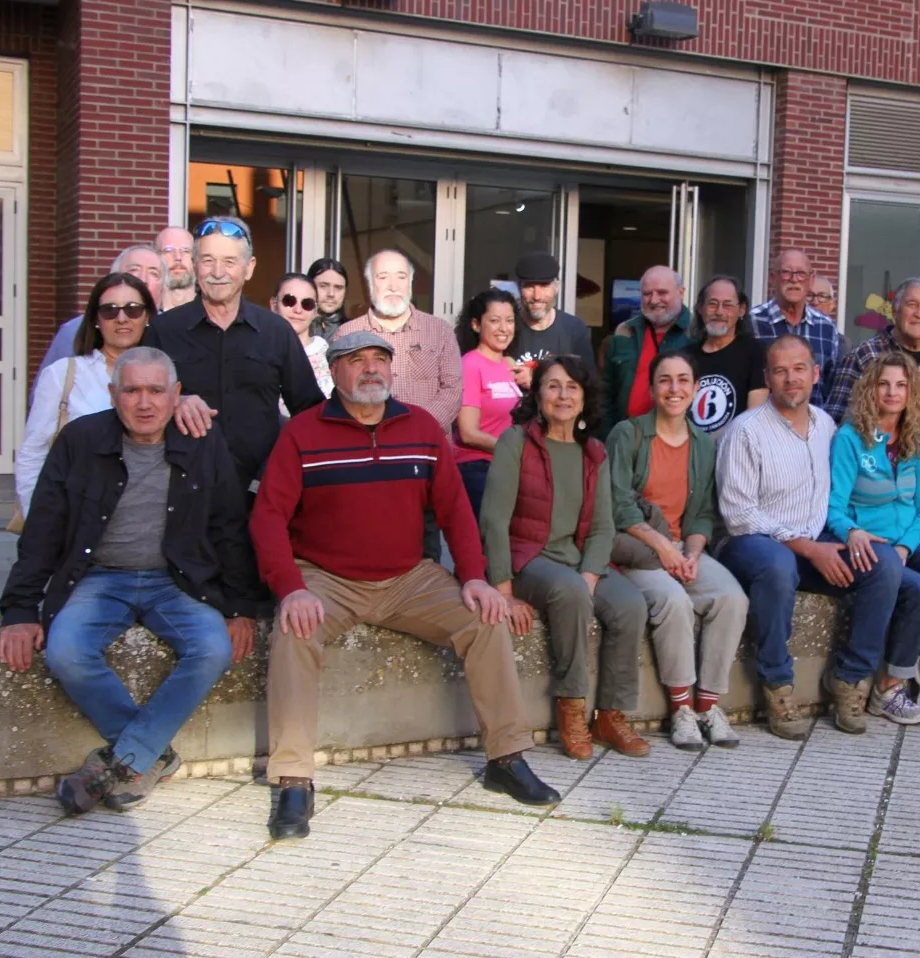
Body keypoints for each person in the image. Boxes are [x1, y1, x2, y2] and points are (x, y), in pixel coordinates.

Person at [251, 331, 557, 838]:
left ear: (391, 370)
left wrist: (475, 577)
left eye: (379, 359)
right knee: (295, 632)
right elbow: (267, 519)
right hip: (326, 578)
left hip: (409, 577)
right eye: (354, 361)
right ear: (334, 371)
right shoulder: (303, 433)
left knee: (484, 620)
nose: (369, 369)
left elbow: (456, 510)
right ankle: (293, 779)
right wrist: (291, 587)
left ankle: (506, 758)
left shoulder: (420, 427)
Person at [0, 347, 253, 816]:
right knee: (66, 651)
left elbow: (229, 525)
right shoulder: (80, 440)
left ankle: (123, 759)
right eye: (131, 390)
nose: (144, 402)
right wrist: (18, 611)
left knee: (213, 648)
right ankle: (147, 754)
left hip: (176, 581)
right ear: (113, 395)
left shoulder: (202, 441)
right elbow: (43, 531)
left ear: (176, 395)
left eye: (156, 390)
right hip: (100, 578)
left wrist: (239, 608)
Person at [716, 336, 906, 739]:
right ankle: (778, 686)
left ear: (815, 373)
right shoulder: (745, 431)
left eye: (799, 368)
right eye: (780, 371)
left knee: (884, 563)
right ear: (767, 378)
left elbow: (837, 495)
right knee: (778, 564)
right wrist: (806, 547)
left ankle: (851, 679)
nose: (791, 379)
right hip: (752, 544)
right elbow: (738, 516)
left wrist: (849, 533)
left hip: (814, 539)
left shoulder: (826, 425)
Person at [480, 355, 652, 760]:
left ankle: (611, 714)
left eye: (572, 387)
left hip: (578, 561)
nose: (563, 395)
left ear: (584, 396)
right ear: (537, 395)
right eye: (553, 385)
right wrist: (503, 591)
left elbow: (604, 526)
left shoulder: (594, 451)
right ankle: (571, 706)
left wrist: (592, 572)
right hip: (529, 557)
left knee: (629, 604)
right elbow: (494, 518)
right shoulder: (515, 442)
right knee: (571, 591)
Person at [607, 351, 749, 750]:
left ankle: (708, 705)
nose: (674, 388)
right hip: (636, 547)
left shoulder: (704, 444)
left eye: (683, 380)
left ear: (696, 388)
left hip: (680, 547)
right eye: (665, 380)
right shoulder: (628, 434)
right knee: (674, 602)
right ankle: (682, 709)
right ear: (652, 389)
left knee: (731, 598)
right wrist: (663, 549)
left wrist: (690, 553)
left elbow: (702, 512)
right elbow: (617, 503)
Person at [827, 352, 920, 723]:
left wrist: (907, 546)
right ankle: (888, 687)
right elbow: (832, 506)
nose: (892, 392)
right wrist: (853, 532)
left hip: (907, 543)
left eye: (901, 385)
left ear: (912, 393)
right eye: (883, 384)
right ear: (869, 390)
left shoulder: (917, 440)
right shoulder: (851, 438)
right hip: (868, 546)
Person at [143, 217, 325, 497]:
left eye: (229, 261)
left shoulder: (276, 331)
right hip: (179, 494)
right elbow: (135, 403)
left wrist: (284, 470)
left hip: (259, 494)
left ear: (249, 268)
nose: (218, 272)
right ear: (194, 264)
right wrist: (174, 401)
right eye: (207, 260)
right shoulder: (163, 330)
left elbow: (309, 411)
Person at [17, 274, 156, 516]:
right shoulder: (62, 375)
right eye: (109, 310)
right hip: (76, 515)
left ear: (147, 317)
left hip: (147, 518)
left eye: (133, 309)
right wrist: (37, 521)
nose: (121, 318)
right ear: (95, 319)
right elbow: (33, 453)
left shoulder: (168, 376)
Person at [334, 248, 462, 432]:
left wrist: (417, 426)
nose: (393, 285)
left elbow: (453, 390)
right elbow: (341, 391)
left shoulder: (440, 330)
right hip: (368, 443)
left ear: (410, 282)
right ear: (369, 283)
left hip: (428, 445)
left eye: (401, 277)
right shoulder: (347, 334)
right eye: (383, 277)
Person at [823, 279, 920, 453]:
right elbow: (834, 422)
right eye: (912, 304)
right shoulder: (864, 356)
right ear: (895, 309)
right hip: (870, 472)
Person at [37, 244, 167, 380]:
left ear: (163, 287)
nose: (143, 280)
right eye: (134, 270)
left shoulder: (172, 332)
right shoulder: (72, 331)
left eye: (154, 273)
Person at [600, 265, 693, 438]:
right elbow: (606, 391)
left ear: (681, 293)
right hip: (625, 439)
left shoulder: (696, 333)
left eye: (662, 292)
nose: (654, 300)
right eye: (647, 294)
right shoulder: (625, 331)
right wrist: (608, 437)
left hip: (675, 442)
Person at [454, 288, 522, 517]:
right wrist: (515, 451)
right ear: (476, 325)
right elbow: (468, 433)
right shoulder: (470, 365)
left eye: (509, 321)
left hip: (507, 465)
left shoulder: (510, 364)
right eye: (494, 321)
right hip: (478, 469)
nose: (504, 328)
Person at [749, 249, 844, 406]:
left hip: (814, 426)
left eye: (801, 273)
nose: (794, 280)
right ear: (773, 278)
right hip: (764, 426)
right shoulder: (752, 322)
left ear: (811, 279)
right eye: (786, 272)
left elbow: (830, 385)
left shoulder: (826, 327)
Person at [688, 274, 768, 442]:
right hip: (689, 455)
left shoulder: (756, 353)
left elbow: (754, 417)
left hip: (734, 452)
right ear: (700, 308)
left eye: (728, 305)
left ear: (741, 310)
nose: (719, 312)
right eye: (712, 304)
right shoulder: (685, 357)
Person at [507, 250, 595, 388]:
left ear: (557, 287)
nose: (537, 296)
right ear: (518, 288)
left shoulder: (574, 329)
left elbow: (588, 382)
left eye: (544, 286)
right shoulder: (506, 327)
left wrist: (536, 378)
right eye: (529, 286)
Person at [270, 272, 334, 405]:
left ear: (315, 311)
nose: (298, 310)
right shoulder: (257, 350)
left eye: (307, 303)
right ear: (273, 305)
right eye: (289, 301)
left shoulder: (329, 357)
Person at [306, 257, 349, 342]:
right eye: (323, 286)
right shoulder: (296, 326)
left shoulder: (352, 331)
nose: (331, 294)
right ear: (309, 286)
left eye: (338, 287)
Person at [154, 226, 197, 311]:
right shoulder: (146, 319)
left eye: (185, 250)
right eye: (168, 250)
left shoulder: (212, 316)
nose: (178, 257)